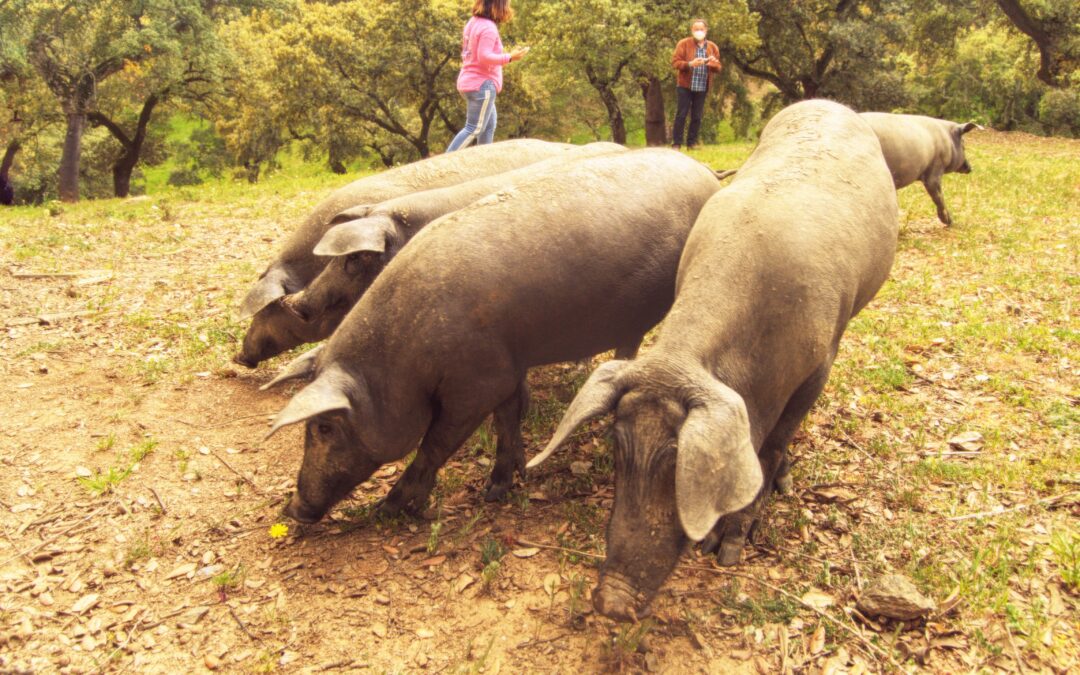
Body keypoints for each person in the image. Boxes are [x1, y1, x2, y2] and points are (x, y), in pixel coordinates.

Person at [446, 0, 528, 152]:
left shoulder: (473, 22)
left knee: (489, 125)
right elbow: (484, 57)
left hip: (469, 81)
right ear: (499, 6)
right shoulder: (488, 28)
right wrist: (510, 57)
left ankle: (483, 162)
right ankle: (443, 163)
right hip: (482, 84)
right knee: (474, 128)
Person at [671, 19, 722, 149]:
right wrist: (689, 64)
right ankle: (677, 143)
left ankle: (691, 143)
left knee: (697, 117)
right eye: (696, 29)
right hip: (685, 86)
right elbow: (675, 63)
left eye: (701, 29)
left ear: (706, 30)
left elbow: (718, 68)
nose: (699, 31)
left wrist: (712, 63)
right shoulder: (683, 44)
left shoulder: (712, 47)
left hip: (702, 86)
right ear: (692, 31)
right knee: (681, 115)